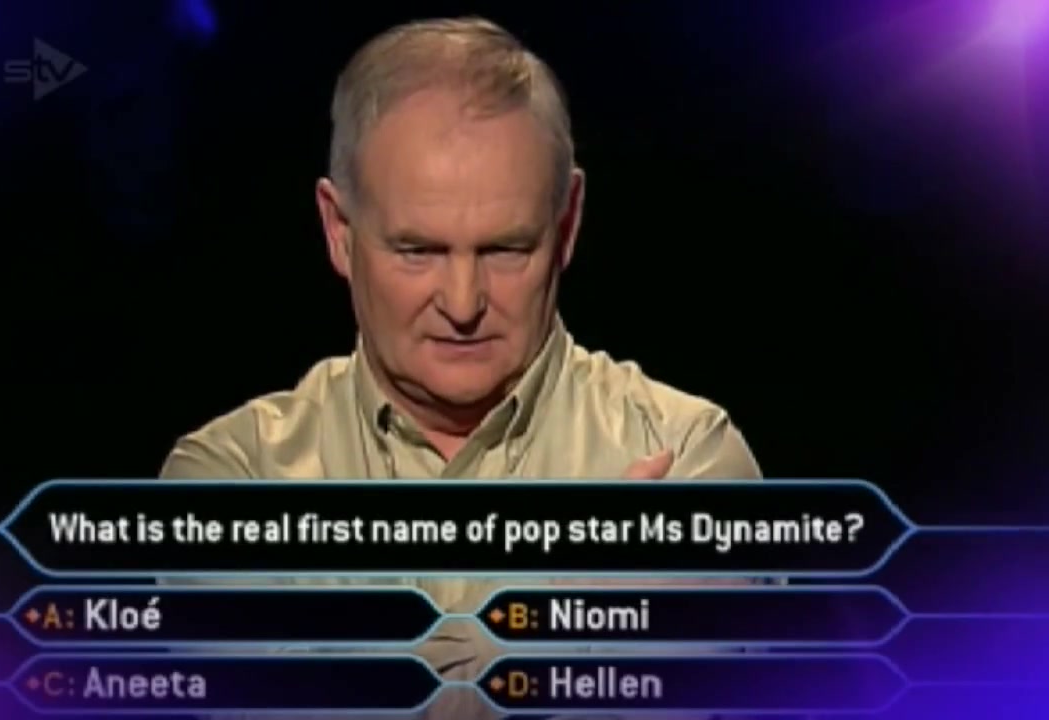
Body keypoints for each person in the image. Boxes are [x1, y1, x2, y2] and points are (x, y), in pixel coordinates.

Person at [161, 16, 761, 719]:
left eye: (506, 249)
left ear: (567, 224)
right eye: (418, 251)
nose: (463, 302)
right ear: (339, 232)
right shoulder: (232, 477)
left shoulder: (687, 458)